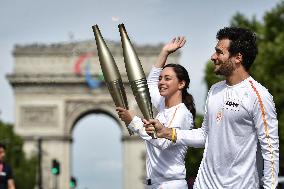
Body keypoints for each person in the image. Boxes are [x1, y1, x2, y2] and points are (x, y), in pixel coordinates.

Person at [145, 27, 279, 189]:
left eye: (219, 52)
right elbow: (204, 136)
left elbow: (270, 150)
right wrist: (167, 132)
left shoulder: (259, 95)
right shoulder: (215, 90)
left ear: (238, 57)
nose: (213, 57)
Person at [116, 37, 196, 189]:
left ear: (181, 84)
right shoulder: (163, 105)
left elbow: (163, 142)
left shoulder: (182, 113)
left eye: (167, 79)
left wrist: (133, 121)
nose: (161, 82)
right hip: (155, 184)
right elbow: (150, 83)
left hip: (170, 184)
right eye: (161, 78)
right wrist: (164, 52)